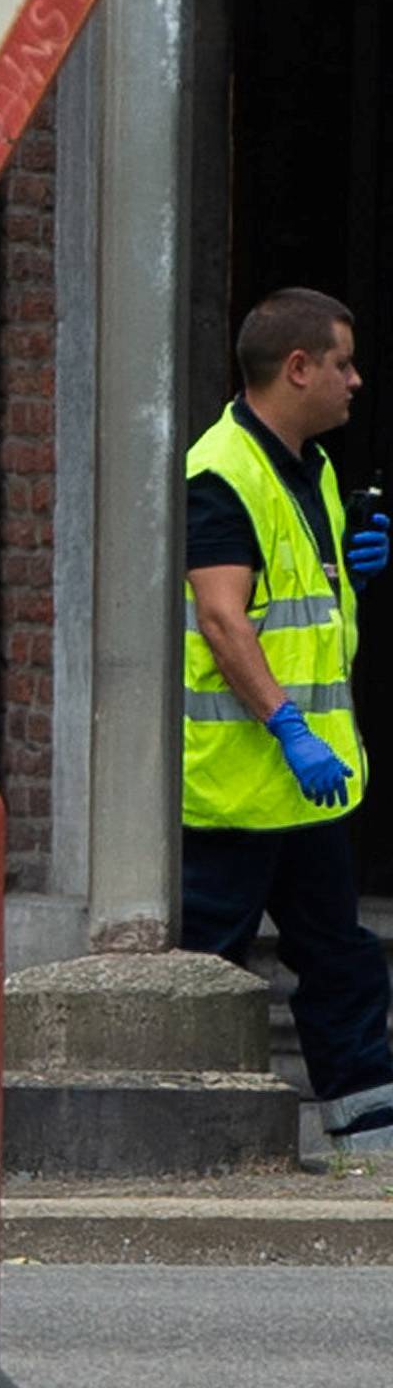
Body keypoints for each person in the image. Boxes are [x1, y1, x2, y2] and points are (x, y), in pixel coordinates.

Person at [181, 286, 393, 1156]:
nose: (355, 380)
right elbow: (224, 620)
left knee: (341, 963)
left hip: (304, 792)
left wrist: (355, 575)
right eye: (341, 362)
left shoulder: (310, 468)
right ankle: (188, 1144)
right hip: (236, 790)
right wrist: (288, 729)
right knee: (201, 978)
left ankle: (372, 1146)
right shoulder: (219, 471)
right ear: (296, 367)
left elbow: (298, 611)